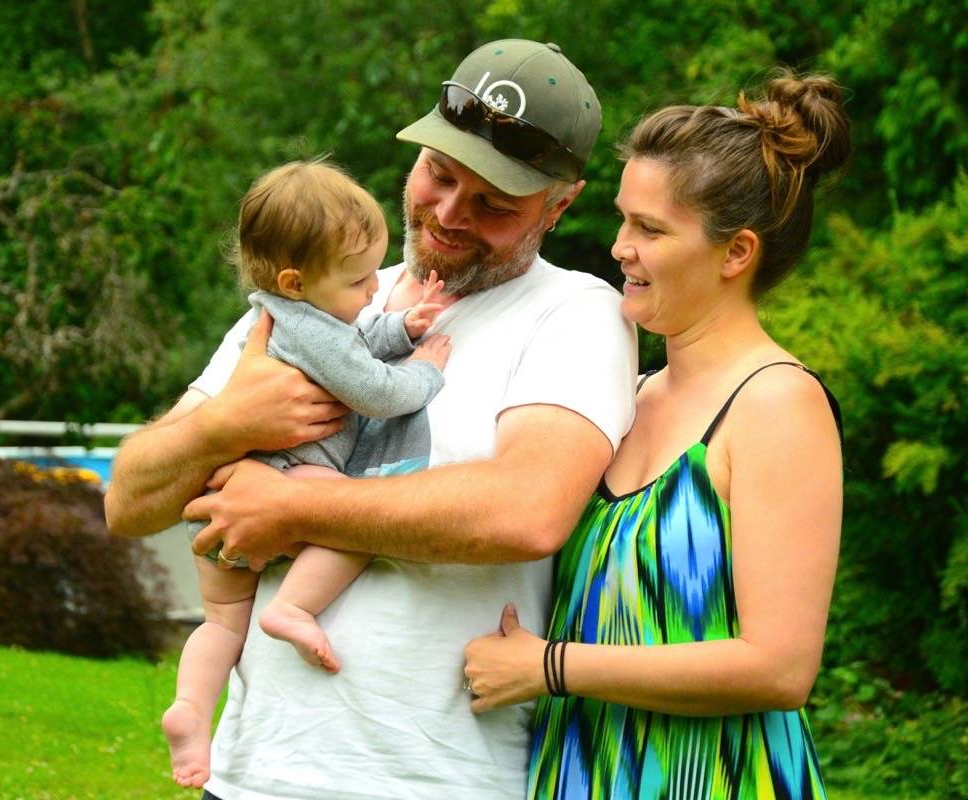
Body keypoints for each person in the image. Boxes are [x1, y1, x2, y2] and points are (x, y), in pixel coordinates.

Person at [104, 39, 638, 799]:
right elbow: (128, 504)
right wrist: (217, 427)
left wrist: (293, 505)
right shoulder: (316, 296)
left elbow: (528, 511)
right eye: (439, 175)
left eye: (495, 202)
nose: (451, 214)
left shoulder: (578, 315)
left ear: (561, 203)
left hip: (430, 779)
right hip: (250, 774)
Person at [462, 70, 849, 798]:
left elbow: (780, 667)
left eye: (650, 229)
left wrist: (550, 667)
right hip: (585, 773)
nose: (618, 248)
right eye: (623, 219)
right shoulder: (627, 398)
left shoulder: (776, 405)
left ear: (736, 253)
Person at [159, 159, 453, 789]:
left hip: (221, 505)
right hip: (288, 479)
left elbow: (357, 339)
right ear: (296, 281)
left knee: (219, 623)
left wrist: (402, 325)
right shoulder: (310, 329)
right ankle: (293, 608)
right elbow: (370, 386)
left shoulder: (288, 315)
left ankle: (189, 709)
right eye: (357, 280)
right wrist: (427, 368)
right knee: (359, 519)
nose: (375, 288)